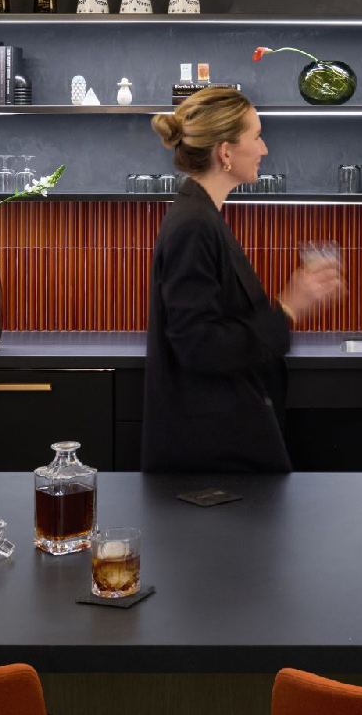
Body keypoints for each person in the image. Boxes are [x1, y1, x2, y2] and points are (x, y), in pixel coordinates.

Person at [143, 87, 343, 472]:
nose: (264, 149)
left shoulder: (201, 215)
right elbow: (199, 346)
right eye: (257, 136)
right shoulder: (195, 225)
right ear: (225, 152)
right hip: (210, 459)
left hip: (217, 446)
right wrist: (288, 306)